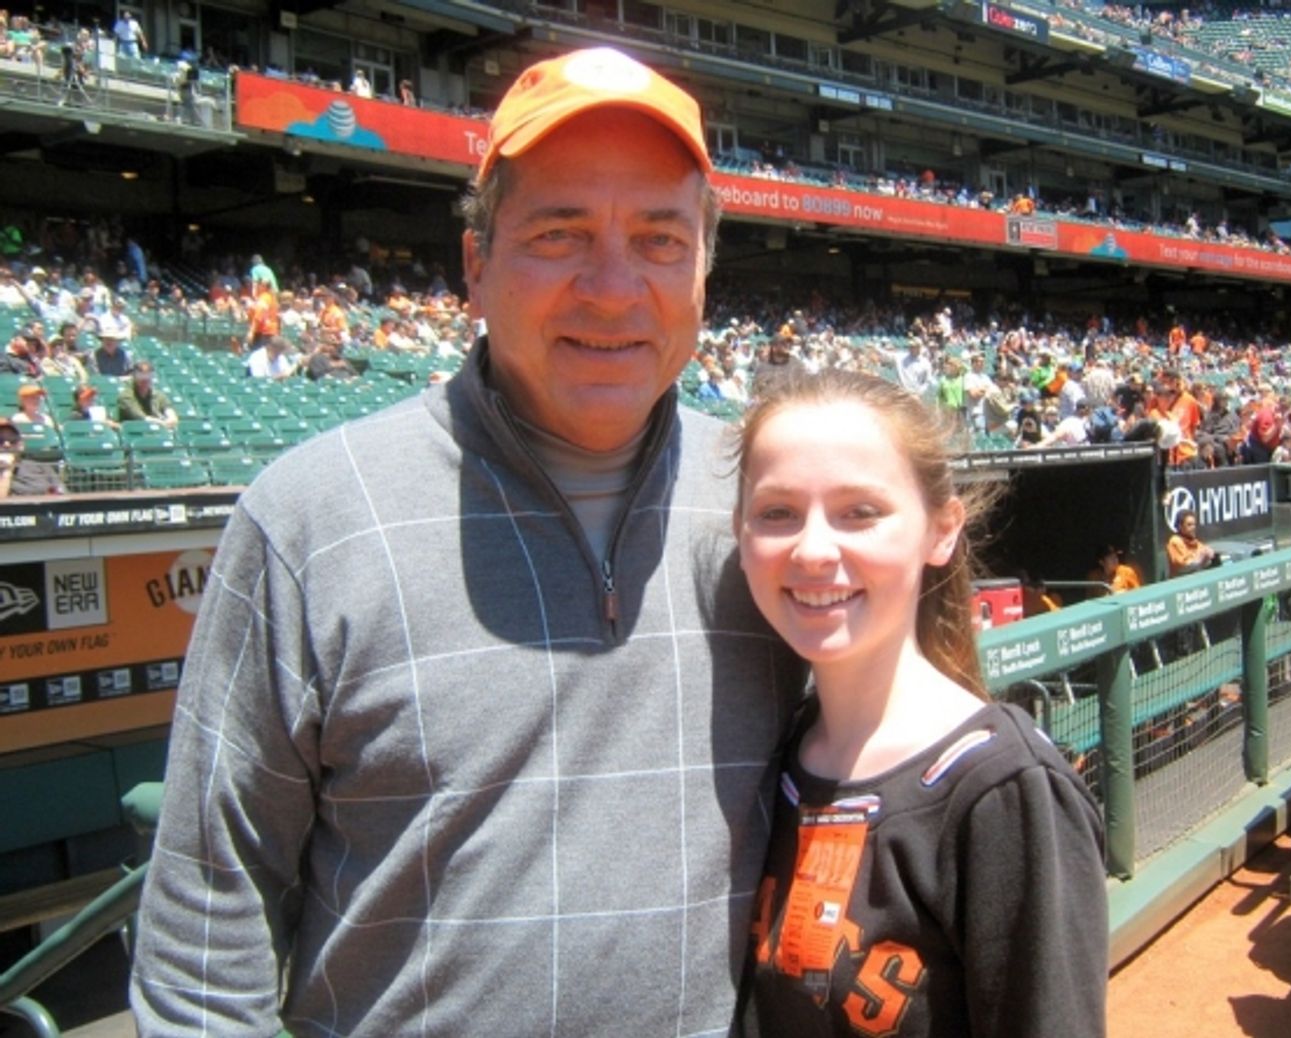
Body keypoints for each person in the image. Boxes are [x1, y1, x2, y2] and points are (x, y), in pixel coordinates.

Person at [131, 46, 804, 1036]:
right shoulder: (311, 515)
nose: (613, 289)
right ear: (475, 265)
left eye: (659, 239)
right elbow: (203, 933)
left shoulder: (772, 511)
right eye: (559, 232)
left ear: (705, 268)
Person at [732, 370, 1107, 1037]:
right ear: (740, 532)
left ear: (942, 531)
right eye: (777, 512)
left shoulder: (1006, 790)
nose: (814, 549)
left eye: (861, 512)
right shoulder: (779, 753)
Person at [0, 418, 64, 497]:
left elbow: (61, 493)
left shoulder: (41, 467)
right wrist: (7, 470)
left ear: (21, 445)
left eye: (12, 439)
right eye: (0, 439)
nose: (7, 444)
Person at [116, 361, 178, 428]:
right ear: (134, 376)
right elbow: (141, 418)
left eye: (148, 375)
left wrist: (171, 419)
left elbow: (170, 413)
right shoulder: (126, 396)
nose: (145, 379)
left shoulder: (157, 395)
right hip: (135, 432)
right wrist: (161, 423)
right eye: (141, 375)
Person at [1167, 509, 1216, 576]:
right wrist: (1200, 558)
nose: (1193, 527)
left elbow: (1205, 561)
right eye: (1189, 525)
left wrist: (1208, 556)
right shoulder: (1175, 541)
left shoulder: (1195, 542)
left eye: (1194, 524)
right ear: (1180, 526)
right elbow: (1182, 568)